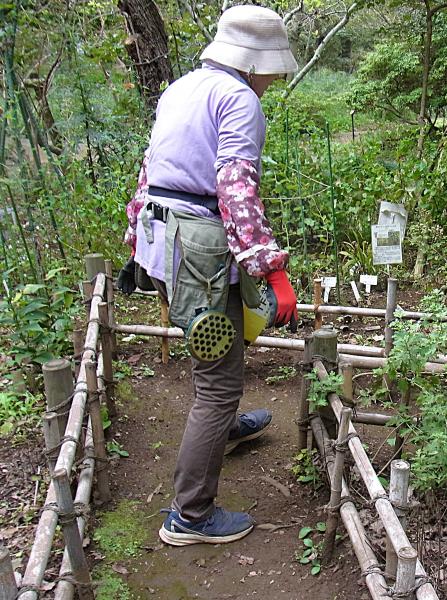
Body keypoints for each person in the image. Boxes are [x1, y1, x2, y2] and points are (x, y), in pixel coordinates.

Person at [117, 5, 299, 546]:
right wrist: (274, 272)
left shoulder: (181, 88)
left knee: (215, 348)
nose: (273, 80)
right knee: (217, 382)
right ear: (254, 63)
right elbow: (236, 189)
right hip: (197, 247)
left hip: (163, 237)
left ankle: (225, 429)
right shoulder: (240, 99)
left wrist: (136, 242)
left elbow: (150, 170)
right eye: (272, 69)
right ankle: (190, 515)